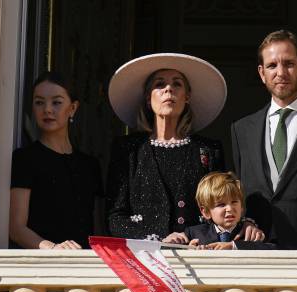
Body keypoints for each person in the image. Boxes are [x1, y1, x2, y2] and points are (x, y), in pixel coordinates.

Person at [106, 53, 264, 245]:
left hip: (199, 255)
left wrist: (246, 222)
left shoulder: (208, 150)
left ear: (187, 96)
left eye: (177, 84)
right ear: (149, 98)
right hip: (145, 260)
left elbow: (223, 203)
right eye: (159, 84)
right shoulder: (128, 150)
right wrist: (161, 237)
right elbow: (115, 218)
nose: (168, 89)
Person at [0, 71, 104, 292]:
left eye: (56, 102)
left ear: (73, 108)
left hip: (82, 278)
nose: (47, 109)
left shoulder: (89, 165)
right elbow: (16, 227)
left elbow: (96, 229)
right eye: (39, 102)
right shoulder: (25, 159)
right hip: (38, 278)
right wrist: (52, 249)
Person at [231, 30, 297, 250]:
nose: (280, 72)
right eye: (272, 66)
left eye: (289, 64)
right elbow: (238, 194)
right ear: (262, 73)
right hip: (255, 255)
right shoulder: (241, 129)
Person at [178, 171, 276, 250]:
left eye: (234, 202)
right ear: (205, 212)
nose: (229, 209)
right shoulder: (194, 233)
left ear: (241, 206)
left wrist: (234, 246)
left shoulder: (251, 233)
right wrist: (189, 252)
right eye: (221, 205)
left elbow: (273, 248)